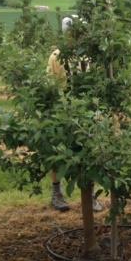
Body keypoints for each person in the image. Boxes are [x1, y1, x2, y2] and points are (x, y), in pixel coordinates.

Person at [47, 15, 103, 213]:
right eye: (73, 33)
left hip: (87, 111)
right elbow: (51, 85)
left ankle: (91, 195)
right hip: (64, 111)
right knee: (59, 151)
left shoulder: (89, 58)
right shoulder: (56, 57)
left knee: (92, 151)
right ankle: (57, 192)